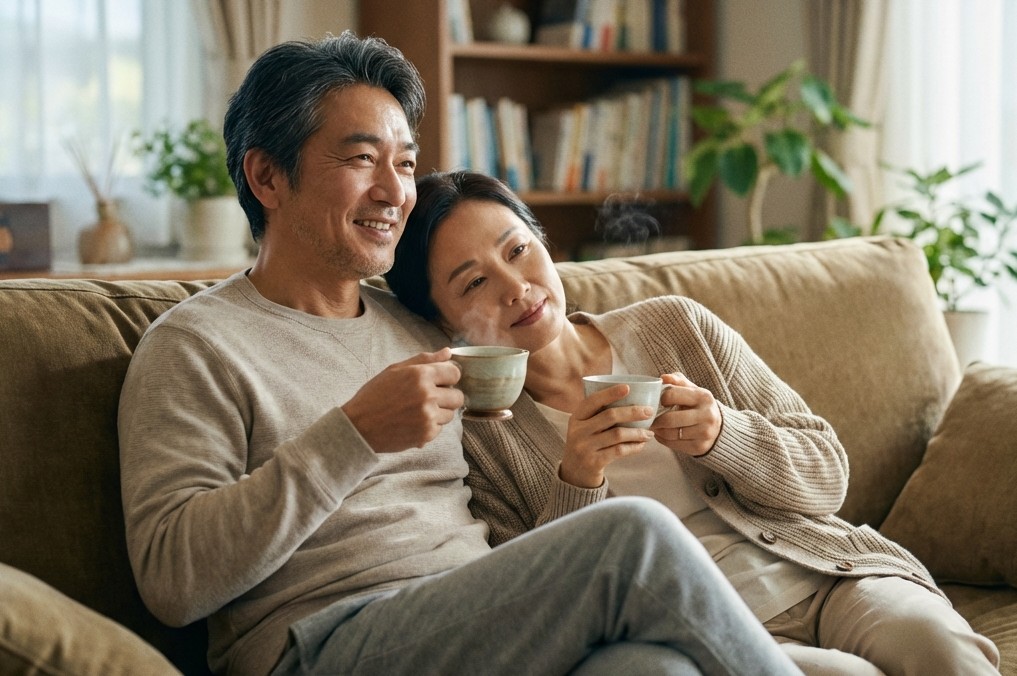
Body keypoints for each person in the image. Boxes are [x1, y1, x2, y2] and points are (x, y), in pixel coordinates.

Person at [118, 33, 804, 676]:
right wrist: (352, 434)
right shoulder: (195, 346)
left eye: (406, 163)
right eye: (361, 160)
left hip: (482, 616)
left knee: (650, 670)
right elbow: (174, 582)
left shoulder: (419, 328)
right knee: (632, 536)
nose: (394, 193)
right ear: (267, 177)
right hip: (321, 642)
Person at [384, 170, 1003, 676]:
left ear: (544, 242)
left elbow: (827, 475)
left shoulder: (675, 326)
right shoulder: (479, 435)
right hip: (703, 626)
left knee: (938, 646)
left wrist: (724, 437)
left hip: (824, 577)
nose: (517, 287)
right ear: (444, 321)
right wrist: (577, 477)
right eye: (475, 283)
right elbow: (541, 609)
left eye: (518, 249)